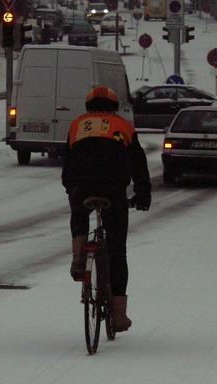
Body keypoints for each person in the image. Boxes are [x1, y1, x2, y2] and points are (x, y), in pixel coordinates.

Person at [62, 85, 151, 332]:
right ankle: (119, 315)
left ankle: (79, 256)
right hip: (113, 190)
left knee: (79, 212)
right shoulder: (123, 126)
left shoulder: (77, 125)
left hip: (83, 188)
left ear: (88, 106)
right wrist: (143, 194)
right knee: (117, 250)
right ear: (113, 107)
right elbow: (138, 164)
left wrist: (71, 189)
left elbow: (67, 162)